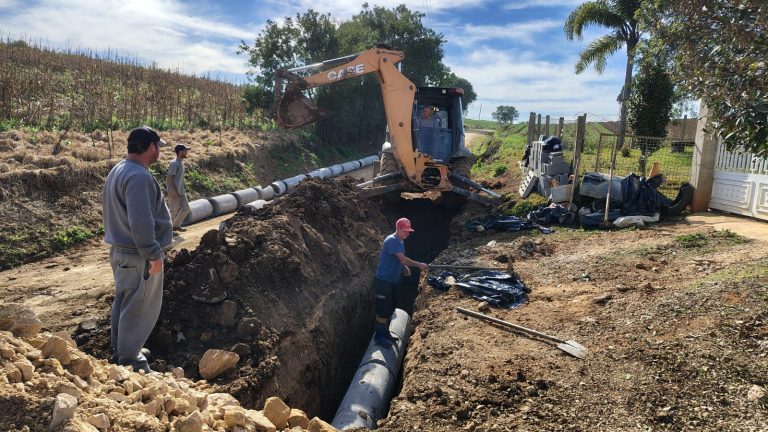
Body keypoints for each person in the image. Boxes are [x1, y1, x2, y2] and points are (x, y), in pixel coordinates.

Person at [102, 126, 172, 373]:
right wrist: (153, 253)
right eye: (158, 147)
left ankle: (123, 350)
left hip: (121, 251)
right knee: (139, 306)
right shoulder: (139, 177)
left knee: (124, 300)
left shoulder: (119, 170)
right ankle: (130, 361)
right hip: (138, 254)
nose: (159, 152)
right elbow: (141, 222)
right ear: (151, 146)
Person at [372, 217, 428, 347]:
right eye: (406, 231)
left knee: (391, 308)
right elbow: (402, 258)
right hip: (383, 282)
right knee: (383, 310)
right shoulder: (392, 240)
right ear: (398, 228)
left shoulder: (400, 240)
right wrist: (418, 264)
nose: (408, 233)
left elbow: (398, 258)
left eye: (409, 231)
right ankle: (379, 337)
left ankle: (385, 333)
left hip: (392, 281)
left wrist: (404, 267)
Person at [167, 143, 191, 233]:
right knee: (173, 212)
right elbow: (169, 178)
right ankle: (168, 231)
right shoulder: (174, 163)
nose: (186, 152)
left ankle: (175, 226)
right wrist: (173, 191)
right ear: (180, 152)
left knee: (186, 208)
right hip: (174, 192)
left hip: (181, 191)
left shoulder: (181, 162)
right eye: (185, 150)